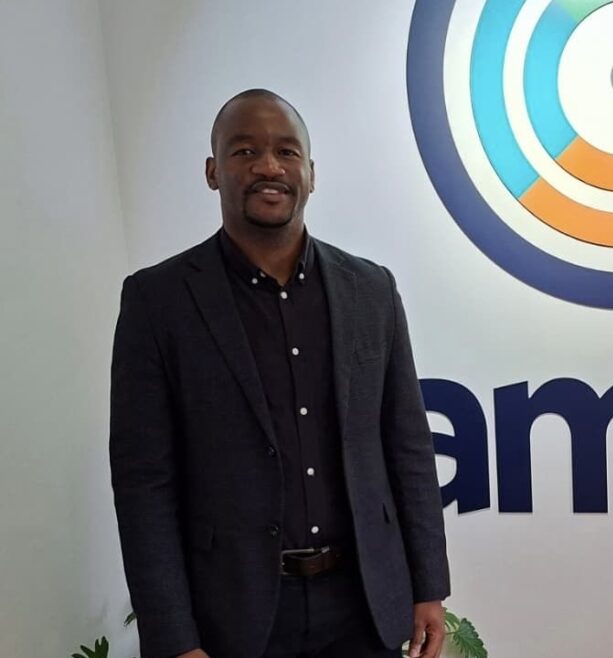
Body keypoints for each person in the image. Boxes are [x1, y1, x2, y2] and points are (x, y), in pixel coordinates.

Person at [108, 88, 450, 658]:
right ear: (213, 172)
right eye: (245, 151)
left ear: (311, 173)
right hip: (232, 616)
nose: (269, 166)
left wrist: (428, 586)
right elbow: (144, 483)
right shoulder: (157, 301)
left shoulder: (371, 291)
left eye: (287, 152)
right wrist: (173, 638)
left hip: (364, 606)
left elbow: (408, 446)